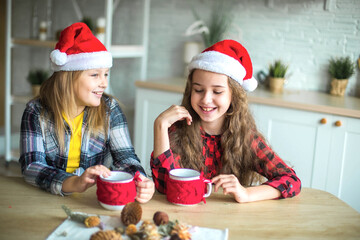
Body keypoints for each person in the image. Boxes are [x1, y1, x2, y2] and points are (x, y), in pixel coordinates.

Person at [151, 40, 301, 203]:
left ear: (233, 95)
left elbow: (291, 180)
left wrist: (247, 194)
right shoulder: (178, 130)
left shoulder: (246, 137)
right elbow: (165, 186)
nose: (206, 99)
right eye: (198, 90)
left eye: (217, 91)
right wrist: (160, 126)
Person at [19, 22, 154, 203]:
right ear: (68, 76)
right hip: (47, 196)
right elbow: (32, 166)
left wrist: (140, 179)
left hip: (93, 198)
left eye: (105, 74)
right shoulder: (36, 112)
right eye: (95, 75)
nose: (104, 83)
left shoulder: (110, 109)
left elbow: (126, 158)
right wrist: (73, 182)